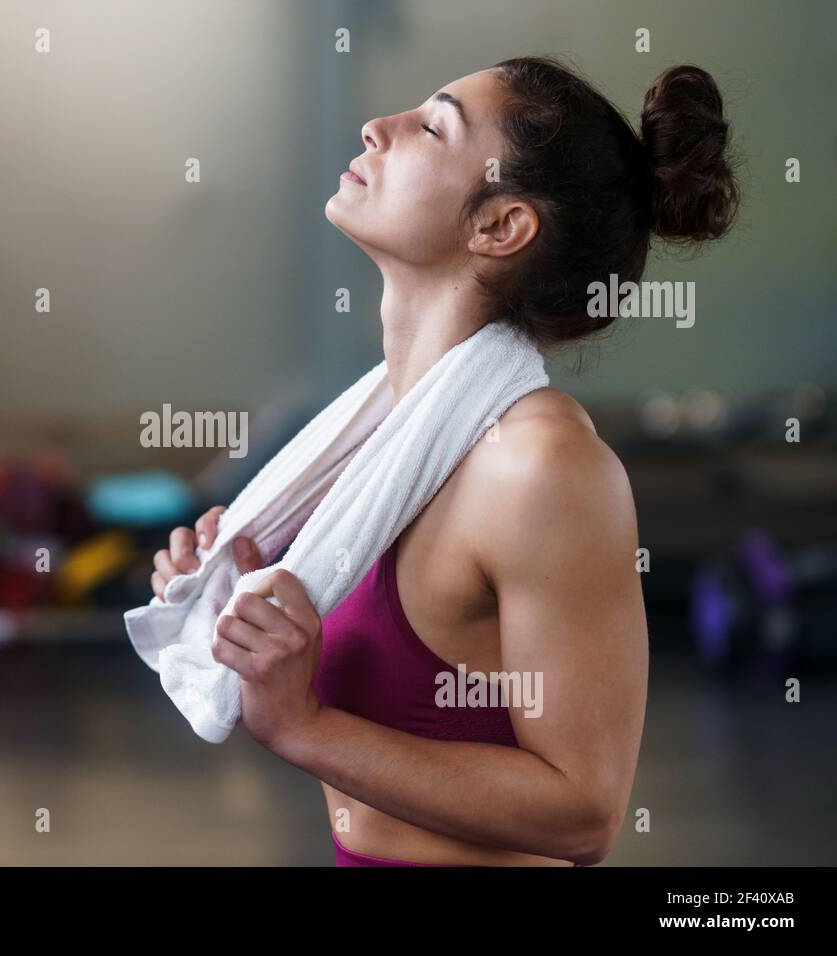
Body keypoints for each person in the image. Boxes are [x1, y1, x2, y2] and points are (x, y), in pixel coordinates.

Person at [150, 57, 739, 866]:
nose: (376, 129)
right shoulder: (373, 458)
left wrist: (305, 727)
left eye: (432, 127)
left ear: (499, 226)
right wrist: (239, 604)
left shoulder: (541, 467)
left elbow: (585, 815)